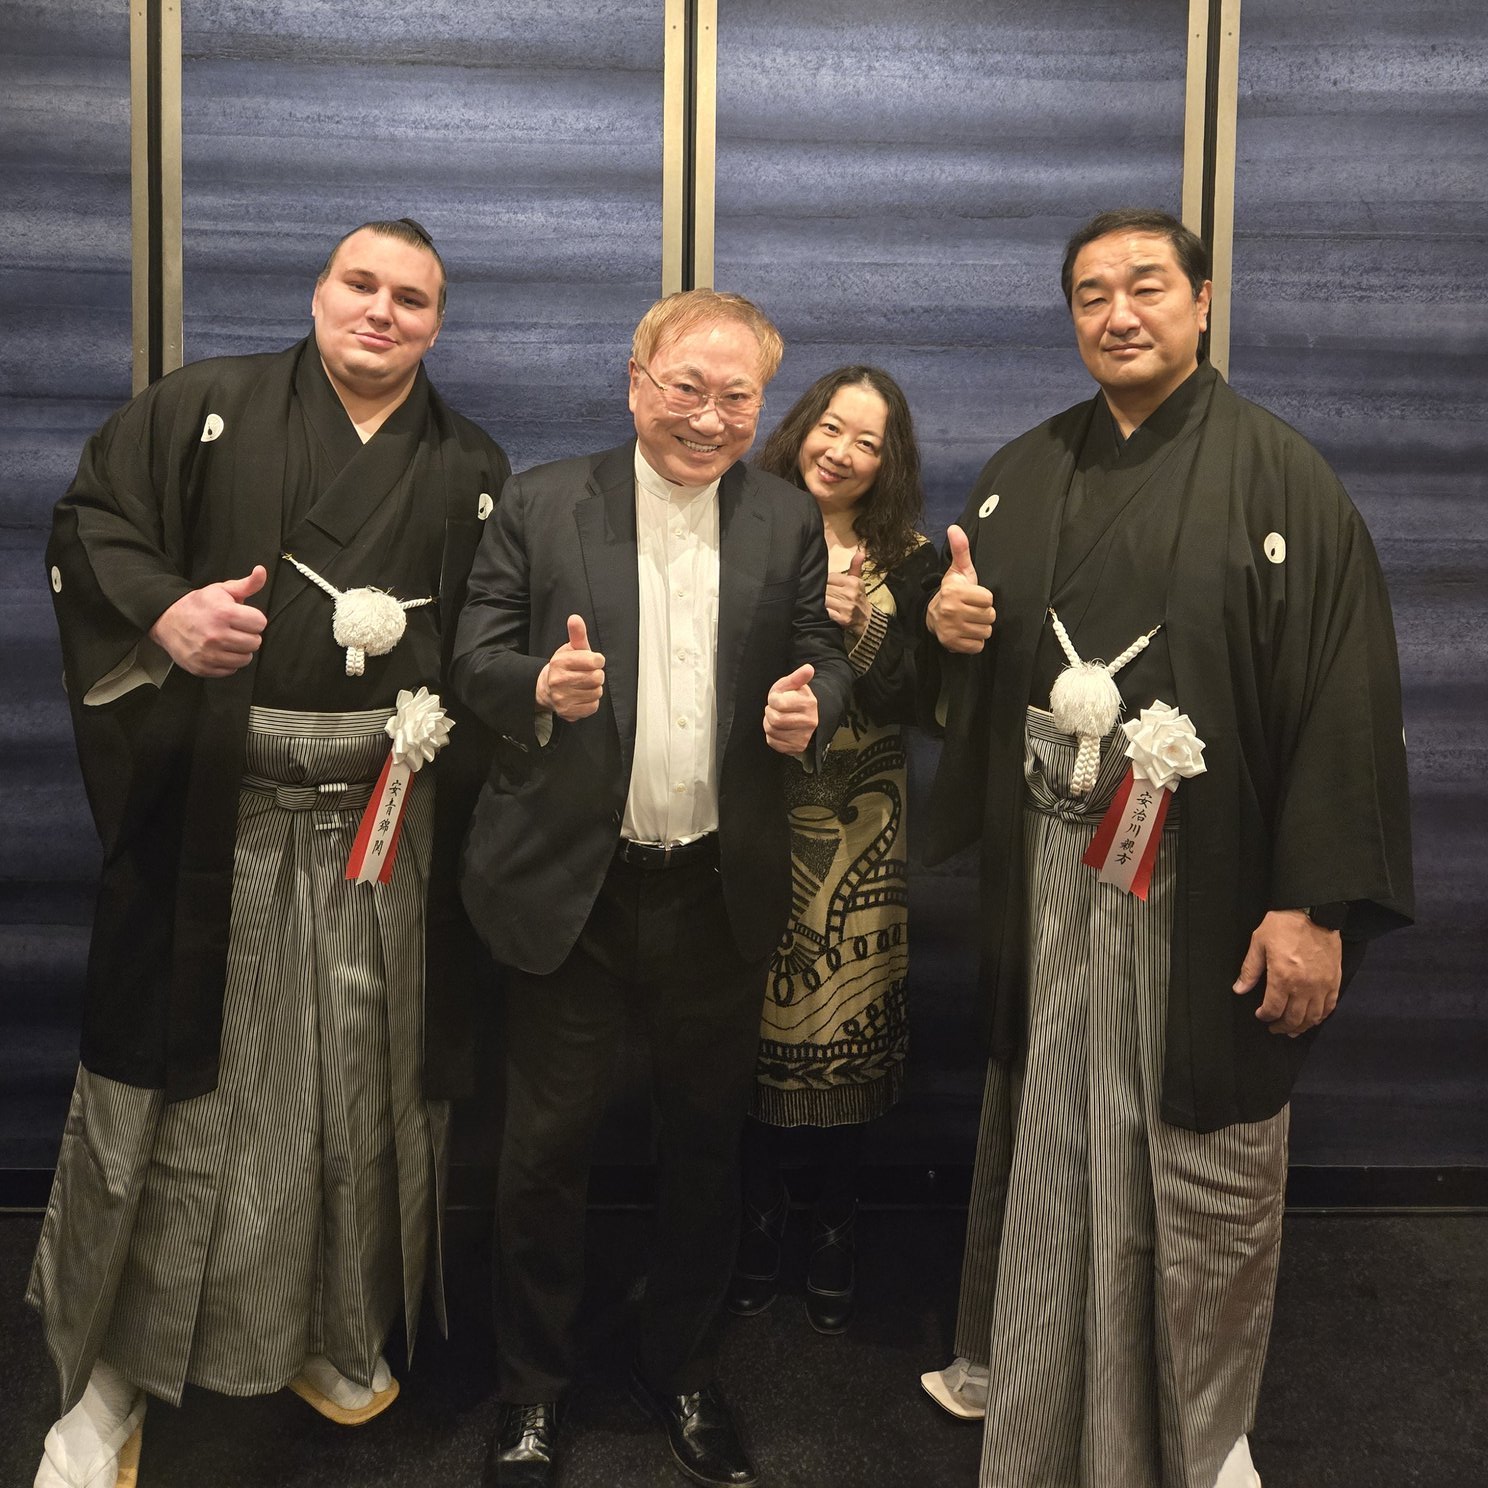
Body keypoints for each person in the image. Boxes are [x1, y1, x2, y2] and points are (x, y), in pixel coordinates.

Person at [917, 209, 1413, 1488]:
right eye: (1092, 294)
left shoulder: (1282, 478)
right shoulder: (1023, 472)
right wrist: (951, 629)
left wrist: (1314, 906)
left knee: (1189, 1147)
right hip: (1053, 869)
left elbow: (1344, 703)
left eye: (1146, 286)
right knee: (1053, 1125)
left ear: (1201, 301)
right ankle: (1043, 1385)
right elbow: (967, 674)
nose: (1119, 313)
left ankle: (1190, 1425)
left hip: (1204, 881)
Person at [28, 218, 509, 1487]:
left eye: (412, 298)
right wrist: (166, 613)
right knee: (187, 1102)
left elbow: (491, 642)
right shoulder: (205, 408)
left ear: (437, 325)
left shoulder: (470, 462)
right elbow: (89, 524)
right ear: (318, 290)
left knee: (357, 1095)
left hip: (384, 836)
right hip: (218, 824)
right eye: (362, 283)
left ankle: (327, 1329)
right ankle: (110, 1384)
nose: (382, 311)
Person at [453, 288, 855, 1488]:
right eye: (688, 387)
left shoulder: (785, 517)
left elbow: (824, 655)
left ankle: (682, 1367)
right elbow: (471, 658)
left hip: (715, 890)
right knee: (541, 1155)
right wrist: (538, 686)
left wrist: (815, 707)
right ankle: (531, 1392)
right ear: (637, 382)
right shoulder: (542, 501)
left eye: (738, 397)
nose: (710, 417)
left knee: (704, 1151)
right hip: (570, 890)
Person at [725, 366, 937, 1334]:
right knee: (750, 1011)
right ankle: (759, 1217)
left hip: (863, 827)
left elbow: (916, 701)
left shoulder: (912, 559)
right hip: (755, 810)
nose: (842, 452)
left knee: (846, 1018)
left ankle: (836, 1223)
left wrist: (865, 624)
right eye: (832, 428)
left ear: (889, 463)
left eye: (868, 442)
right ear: (801, 426)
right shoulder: (742, 521)